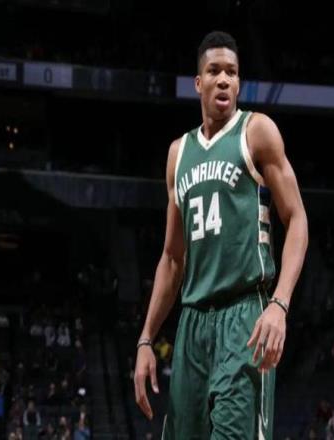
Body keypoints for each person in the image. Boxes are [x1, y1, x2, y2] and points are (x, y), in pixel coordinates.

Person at [133, 30, 308, 439]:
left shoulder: (257, 131)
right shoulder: (178, 154)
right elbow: (172, 258)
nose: (224, 79)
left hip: (244, 314)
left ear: (239, 82)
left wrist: (280, 303)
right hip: (192, 322)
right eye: (214, 71)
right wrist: (146, 339)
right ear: (199, 83)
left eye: (232, 72)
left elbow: (297, 219)